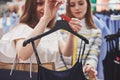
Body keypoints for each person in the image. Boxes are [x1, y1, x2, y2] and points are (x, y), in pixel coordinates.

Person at [0, 0, 83, 70]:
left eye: (48, 4)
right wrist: (46, 18)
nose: (45, 7)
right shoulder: (22, 28)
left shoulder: (52, 31)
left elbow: (67, 53)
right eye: (40, 3)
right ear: (30, 7)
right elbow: (23, 55)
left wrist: (72, 33)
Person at [65, 0, 102, 79]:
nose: (77, 8)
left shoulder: (95, 32)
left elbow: (93, 55)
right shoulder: (61, 29)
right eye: (72, 5)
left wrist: (89, 66)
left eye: (81, 3)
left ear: (87, 4)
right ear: (68, 7)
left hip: (83, 76)